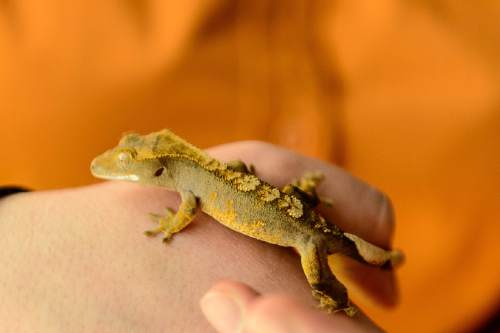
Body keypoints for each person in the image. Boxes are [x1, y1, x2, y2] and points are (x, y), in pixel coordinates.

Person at [0, 141, 396, 332]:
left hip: (311, 239)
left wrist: (169, 227)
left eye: (126, 161)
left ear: (158, 170)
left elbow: (188, 210)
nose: (112, 164)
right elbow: (235, 169)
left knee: (321, 280)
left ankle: (340, 297)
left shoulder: (189, 188)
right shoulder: (193, 173)